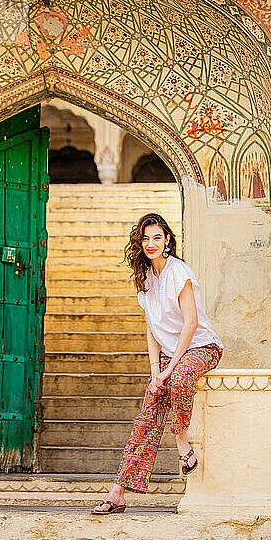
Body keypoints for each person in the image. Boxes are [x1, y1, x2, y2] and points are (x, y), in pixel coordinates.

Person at [92, 212, 224, 514]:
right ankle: (118, 491)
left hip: (202, 347)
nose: (151, 243)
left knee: (178, 379)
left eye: (157, 238)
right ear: (141, 242)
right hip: (168, 355)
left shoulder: (179, 273)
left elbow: (190, 323)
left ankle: (181, 443)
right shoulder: (145, 277)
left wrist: (169, 367)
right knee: (148, 414)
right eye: (146, 238)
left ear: (167, 241)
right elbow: (151, 326)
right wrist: (155, 370)